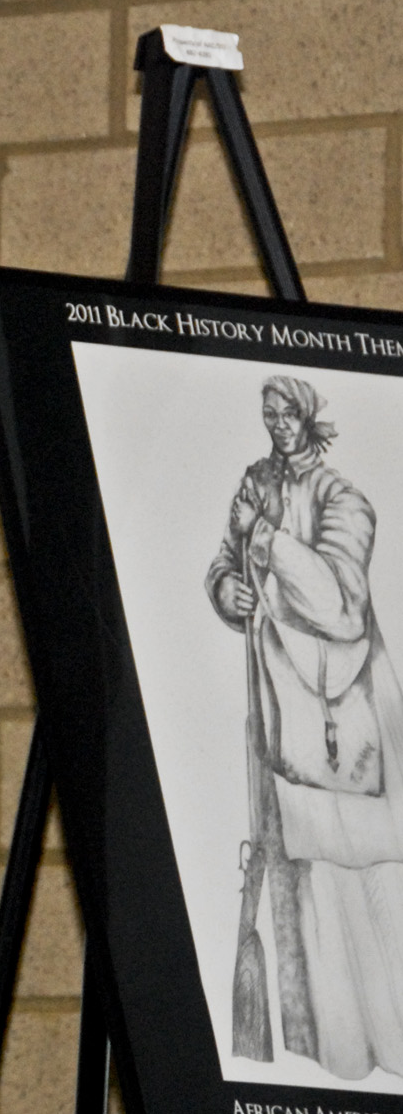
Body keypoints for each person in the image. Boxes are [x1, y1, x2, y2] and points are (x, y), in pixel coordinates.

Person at [206, 375, 403, 1080]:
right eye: (268, 410)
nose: (276, 421)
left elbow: (341, 604)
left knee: (352, 888)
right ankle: (319, 1058)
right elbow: (229, 562)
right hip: (275, 726)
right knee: (291, 889)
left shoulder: (345, 499)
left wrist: (264, 537)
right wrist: (225, 587)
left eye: (289, 409)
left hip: (340, 735)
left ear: (311, 417)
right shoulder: (255, 481)